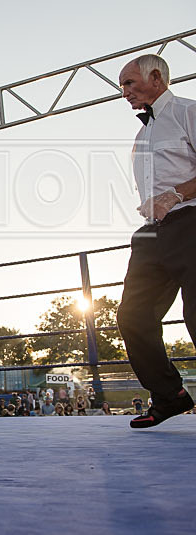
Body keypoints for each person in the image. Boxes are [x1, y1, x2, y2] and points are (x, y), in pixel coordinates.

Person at [116, 54, 196, 429]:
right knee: (132, 317)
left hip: (191, 221)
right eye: (122, 86)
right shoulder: (142, 133)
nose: (125, 92)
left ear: (156, 77)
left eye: (129, 83)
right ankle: (170, 396)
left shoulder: (187, 112)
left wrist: (175, 194)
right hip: (152, 232)